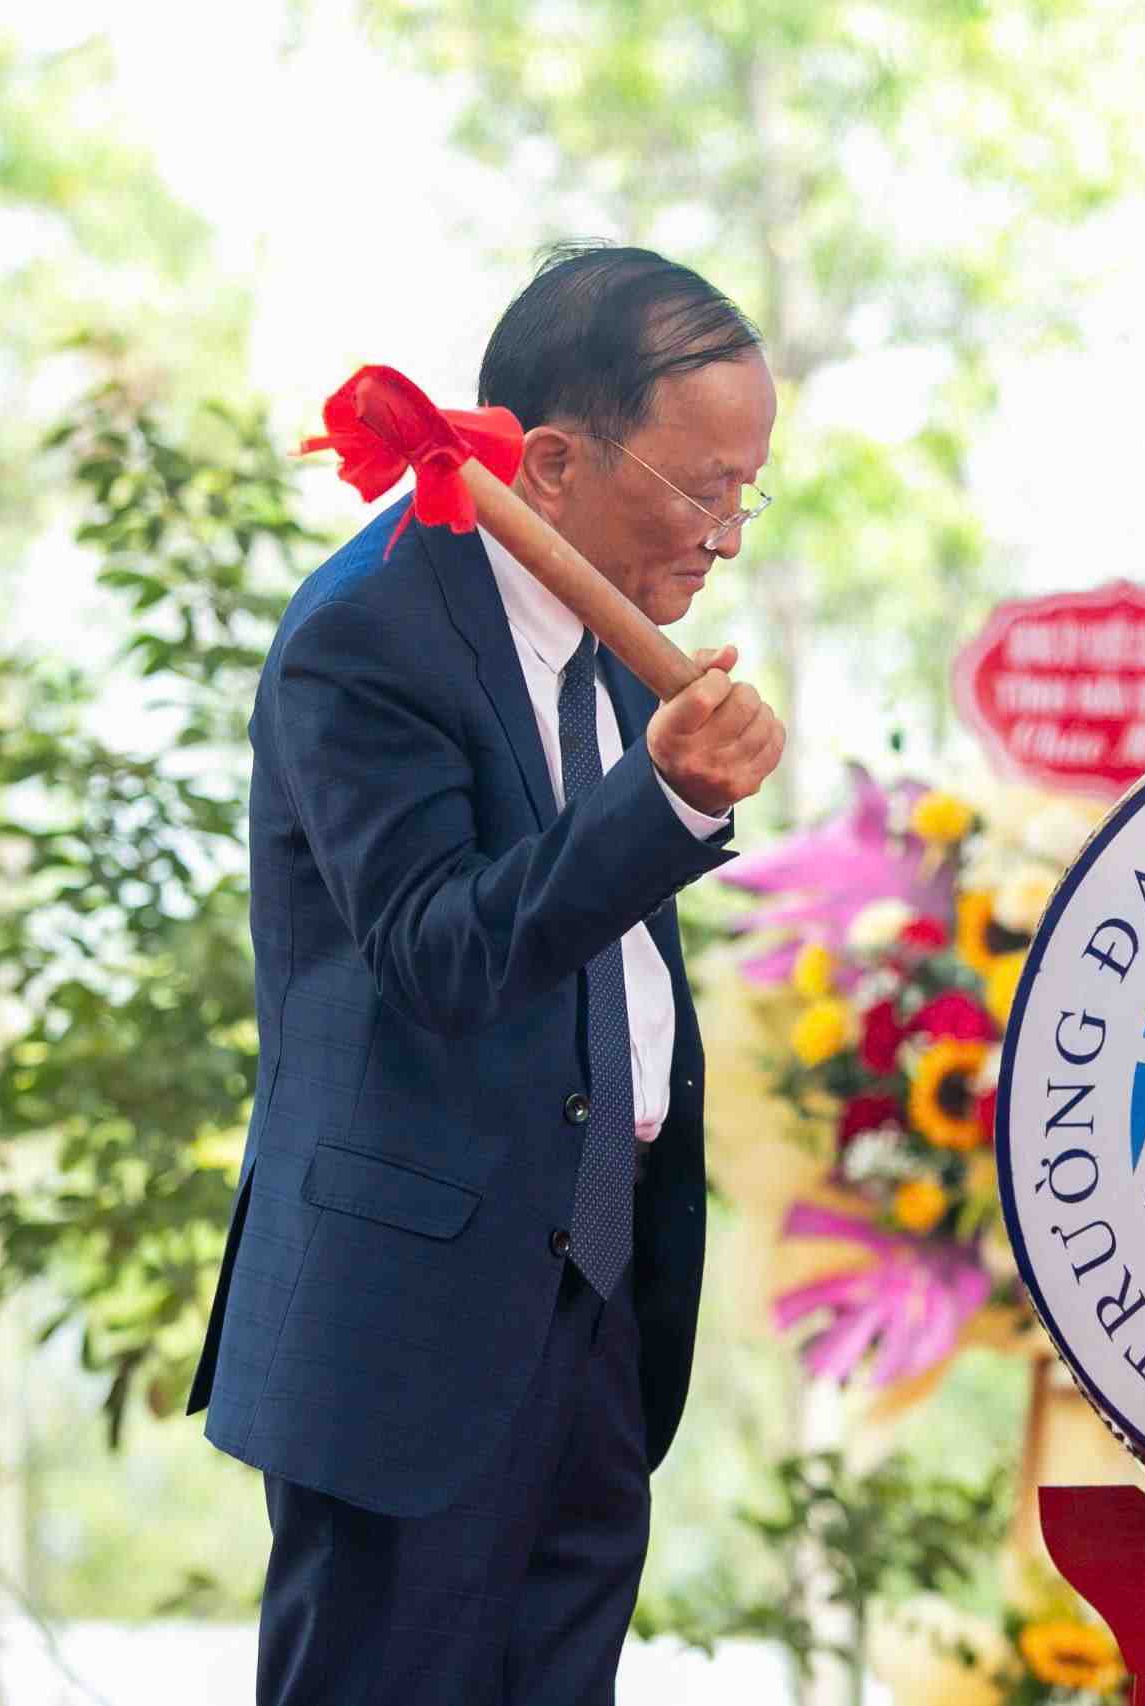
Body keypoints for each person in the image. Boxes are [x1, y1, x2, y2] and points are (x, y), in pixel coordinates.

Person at [186, 243, 786, 1704]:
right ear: (556, 462)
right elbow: (438, 953)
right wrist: (668, 801)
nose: (724, 536)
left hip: (593, 1296)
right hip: (411, 1325)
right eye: (703, 489)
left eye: (747, 493)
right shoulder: (368, 632)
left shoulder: (604, 639)